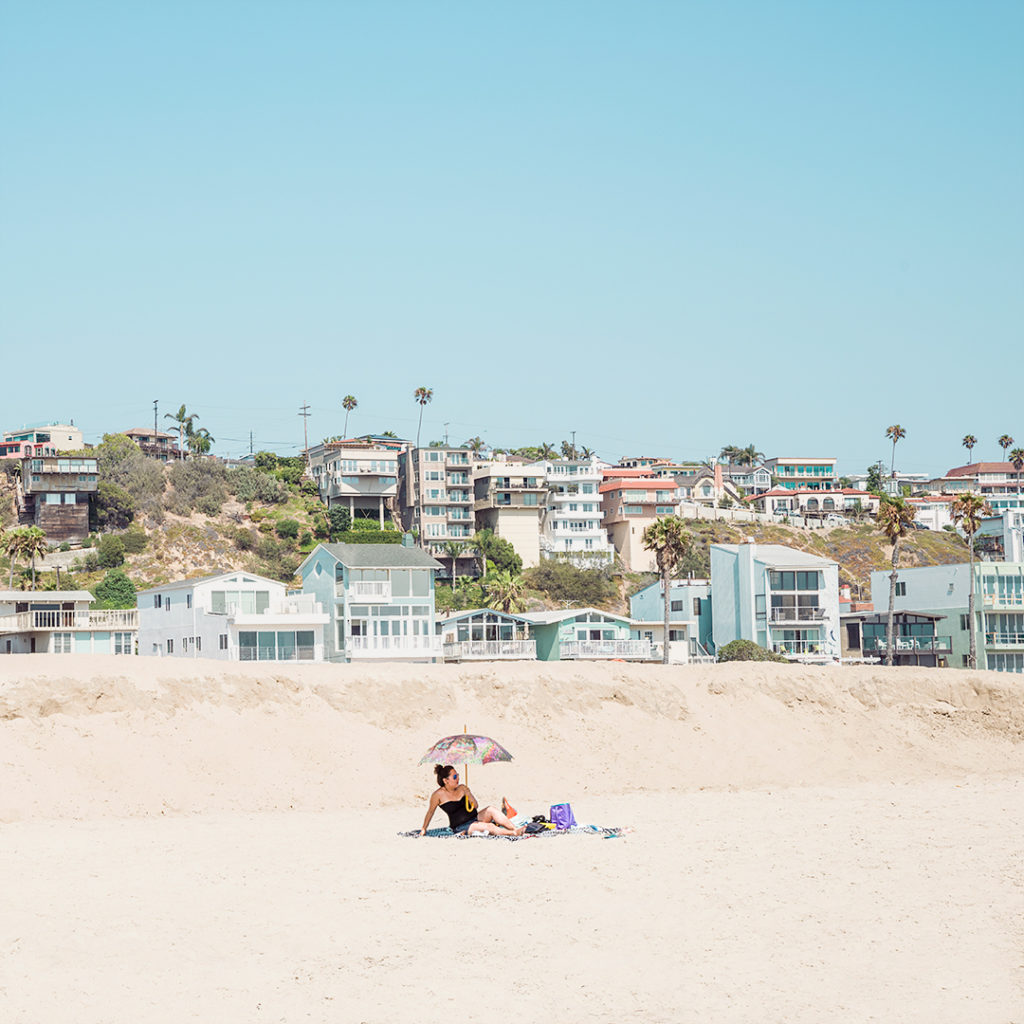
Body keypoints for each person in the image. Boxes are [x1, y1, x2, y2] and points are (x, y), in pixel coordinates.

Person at [419, 764, 525, 836]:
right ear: (445, 780)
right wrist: (424, 828)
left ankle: (514, 828)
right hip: (461, 826)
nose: (458, 779)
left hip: (475, 817)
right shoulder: (438, 795)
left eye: (458, 776)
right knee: (489, 826)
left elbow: (475, 806)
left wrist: (468, 793)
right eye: (454, 777)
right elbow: (430, 812)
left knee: (491, 809)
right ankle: (513, 833)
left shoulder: (462, 788)